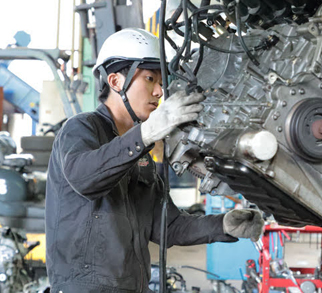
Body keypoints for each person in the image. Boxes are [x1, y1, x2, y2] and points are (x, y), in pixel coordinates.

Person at [45, 28, 264, 293]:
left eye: (161, 81)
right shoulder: (81, 128)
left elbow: (168, 226)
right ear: (115, 81)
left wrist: (223, 225)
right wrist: (146, 134)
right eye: (150, 78)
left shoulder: (141, 153)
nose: (160, 91)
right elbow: (85, 179)